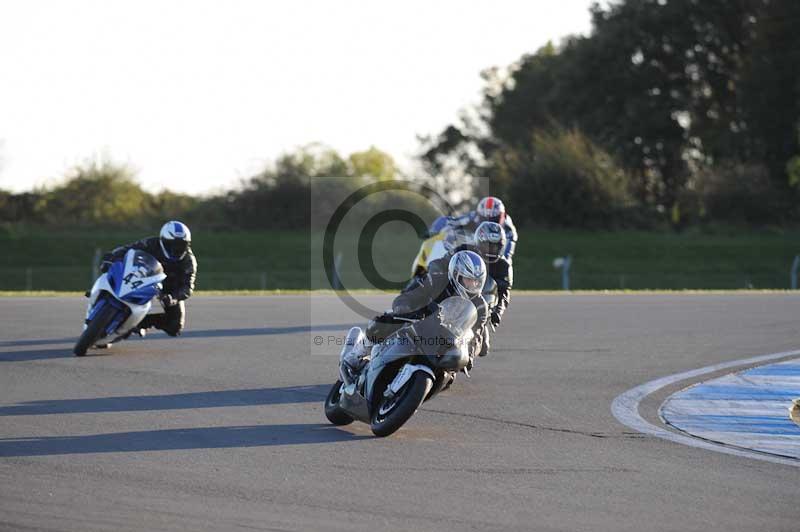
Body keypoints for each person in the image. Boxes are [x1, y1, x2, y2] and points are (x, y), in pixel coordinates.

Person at [343, 250, 490, 372]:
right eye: (469, 280)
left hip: (446, 340)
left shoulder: (481, 305)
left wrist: (469, 355)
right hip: (420, 323)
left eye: (477, 281)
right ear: (457, 274)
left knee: (450, 373)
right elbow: (411, 295)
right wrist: (404, 308)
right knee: (384, 321)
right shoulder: (437, 280)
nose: (473, 285)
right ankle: (357, 354)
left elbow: (476, 335)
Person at [100, 220, 197, 336]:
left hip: (168, 287)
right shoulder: (151, 243)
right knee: (112, 273)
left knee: (175, 326)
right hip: (143, 276)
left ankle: (138, 324)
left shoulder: (189, 261)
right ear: (163, 241)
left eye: (181, 245)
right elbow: (128, 249)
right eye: (172, 245)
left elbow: (188, 286)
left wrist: (174, 297)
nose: (176, 249)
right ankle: (102, 295)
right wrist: (112, 256)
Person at [426, 221, 513, 332]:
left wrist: (498, 311)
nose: (491, 249)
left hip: (482, 303)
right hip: (455, 297)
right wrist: (435, 272)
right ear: (479, 241)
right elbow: (441, 262)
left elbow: (504, 292)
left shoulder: (504, 266)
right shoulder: (464, 249)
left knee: (483, 339)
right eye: (488, 245)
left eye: (495, 246)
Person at [441, 196, 518, 261]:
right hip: (474, 247)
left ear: (502, 216)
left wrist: (503, 260)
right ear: (478, 215)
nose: (489, 224)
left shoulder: (509, 228)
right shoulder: (473, 216)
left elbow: (507, 255)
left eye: (494, 219)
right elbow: (452, 222)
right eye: (485, 218)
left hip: (495, 257)